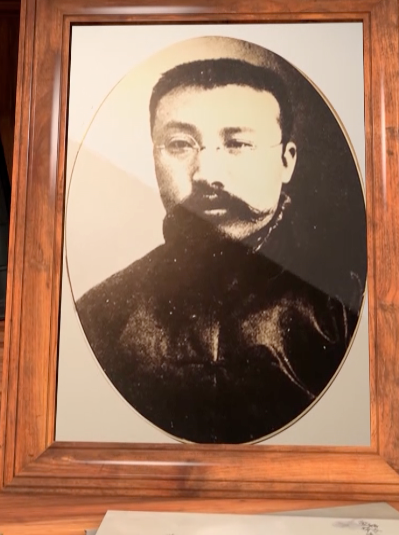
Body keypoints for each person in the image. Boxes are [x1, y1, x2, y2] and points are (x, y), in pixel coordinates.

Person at [75, 55, 362, 444]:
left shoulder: (346, 305)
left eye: (237, 143)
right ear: (153, 158)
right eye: (180, 144)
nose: (207, 174)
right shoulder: (100, 314)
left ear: (286, 161)